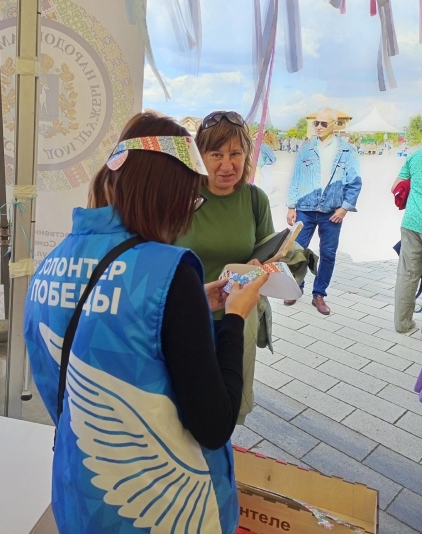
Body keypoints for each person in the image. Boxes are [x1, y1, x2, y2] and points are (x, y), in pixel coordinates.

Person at [24, 111, 267, 534]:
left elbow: (99, 333)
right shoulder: (168, 270)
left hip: (80, 493)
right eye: (190, 200)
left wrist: (190, 303)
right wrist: (233, 317)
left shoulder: (52, 263)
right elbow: (214, 424)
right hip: (162, 509)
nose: (188, 214)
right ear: (168, 193)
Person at [176, 110, 274, 423]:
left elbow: (269, 253)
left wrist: (262, 267)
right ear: (200, 155)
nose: (227, 165)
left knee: (224, 407)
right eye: (216, 154)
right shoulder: (181, 198)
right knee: (182, 407)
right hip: (186, 318)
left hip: (235, 319)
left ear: (247, 155)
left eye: (236, 154)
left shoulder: (255, 200)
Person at [285, 108, 362, 315]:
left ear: (334, 125)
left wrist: (344, 208)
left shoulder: (347, 151)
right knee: (297, 251)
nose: (318, 127)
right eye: (316, 123)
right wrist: (291, 206)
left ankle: (319, 294)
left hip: (332, 211)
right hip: (306, 208)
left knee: (328, 254)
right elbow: (296, 177)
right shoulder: (306, 149)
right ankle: (295, 287)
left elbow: (355, 182)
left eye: (323, 123)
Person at [392, 147, 422, 333]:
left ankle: (402, 324)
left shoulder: (415, 157)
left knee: (407, 275)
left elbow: (395, 187)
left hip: (412, 222)